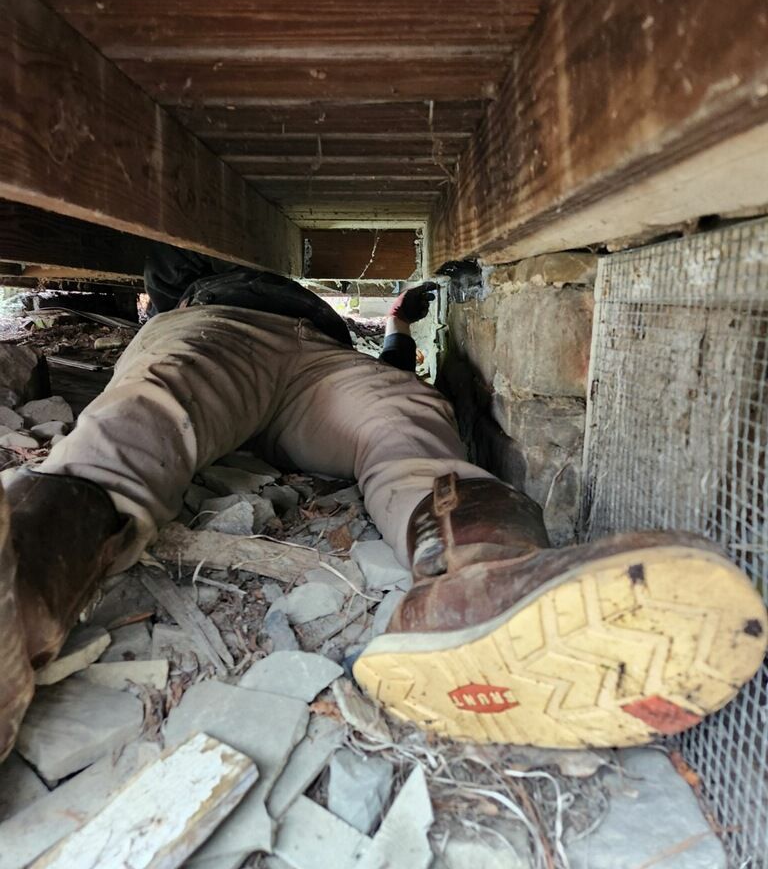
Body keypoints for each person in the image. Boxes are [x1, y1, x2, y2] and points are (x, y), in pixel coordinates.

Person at [1, 244, 765, 760]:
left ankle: (482, 584)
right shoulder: (197, 253)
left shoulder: (335, 315)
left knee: (407, 418)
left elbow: (395, 362)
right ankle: (16, 599)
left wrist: (398, 327)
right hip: (215, 328)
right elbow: (164, 231)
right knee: (143, 420)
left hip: (323, 362)